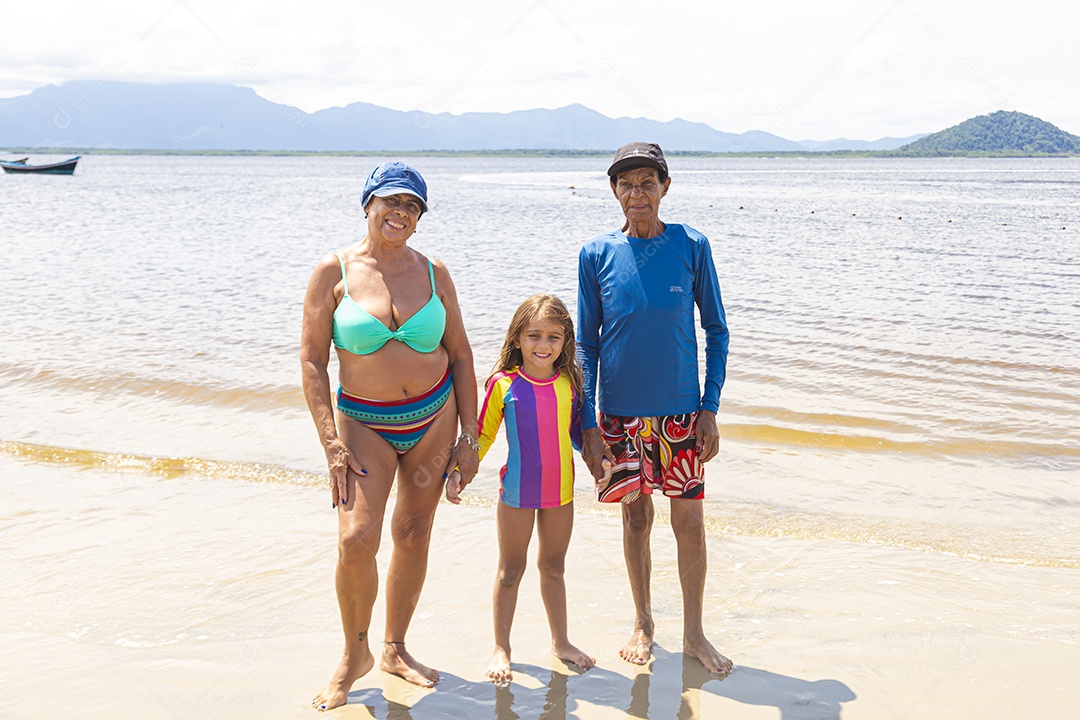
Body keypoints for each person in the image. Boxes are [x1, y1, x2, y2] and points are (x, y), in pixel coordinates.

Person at [301, 162, 479, 711]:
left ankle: (395, 648)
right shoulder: (333, 270)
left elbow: (462, 356)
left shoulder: (434, 273)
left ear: (420, 218)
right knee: (355, 540)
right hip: (363, 425)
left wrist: (469, 438)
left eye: (412, 207)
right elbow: (311, 361)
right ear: (368, 205)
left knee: (413, 532)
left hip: (433, 420)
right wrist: (331, 442)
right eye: (391, 202)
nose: (400, 213)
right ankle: (355, 654)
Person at [576, 142, 734, 675]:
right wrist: (587, 421)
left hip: (680, 415)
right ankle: (643, 622)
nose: (636, 192)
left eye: (647, 182)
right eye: (626, 183)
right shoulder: (596, 254)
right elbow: (586, 345)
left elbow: (716, 329)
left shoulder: (691, 245)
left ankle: (694, 633)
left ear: (665, 188)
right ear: (615, 192)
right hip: (619, 415)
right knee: (635, 519)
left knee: (689, 524)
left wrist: (709, 408)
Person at [446, 294, 596, 684]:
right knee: (510, 569)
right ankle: (501, 648)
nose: (543, 346)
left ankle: (561, 642)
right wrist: (460, 472)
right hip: (516, 492)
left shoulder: (569, 384)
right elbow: (482, 436)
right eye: (534, 336)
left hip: (561, 493)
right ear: (517, 339)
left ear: (565, 343)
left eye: (553, 337)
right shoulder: (503, 384)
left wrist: (604, 462)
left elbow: (579, 434)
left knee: (554, 566)